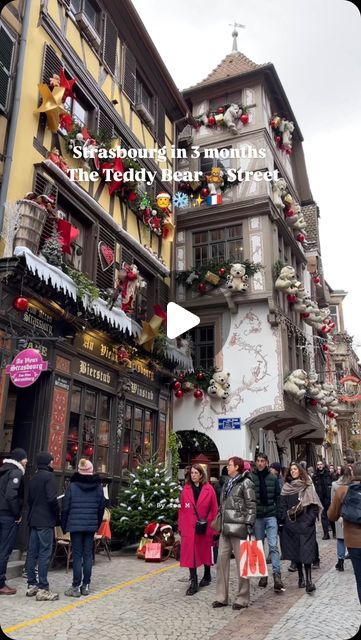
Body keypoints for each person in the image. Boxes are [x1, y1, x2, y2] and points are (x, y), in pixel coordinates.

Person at [212, 457, 256, 610]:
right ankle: (221, 597)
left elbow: (251, 505)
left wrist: (249, 524)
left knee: (241, 564)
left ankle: (242, 598)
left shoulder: (246, 483)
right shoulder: (226, 483)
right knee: (221, 563)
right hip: (225, 528)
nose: (227, 467)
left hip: (239, 528)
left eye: (229, 465)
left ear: (236, 467)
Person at [61, 458, 104, 597]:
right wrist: (96, 524)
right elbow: (101, 507)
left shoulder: (72, 486)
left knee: (77, 555)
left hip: (75, 525)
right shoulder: (98, 486)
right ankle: (86, 585)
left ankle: (75, 586)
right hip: (90, 525)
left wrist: (64, 525)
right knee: (88, 555)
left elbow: (65, 507)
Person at [279, 462, 322, 594]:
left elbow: (314, 505)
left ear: (300, 470)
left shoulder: (307, 486)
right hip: (292, 525)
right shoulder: (286, 488)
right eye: (291, 469)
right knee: (296, 552)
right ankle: (300, 578)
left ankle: (309, 580)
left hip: (306, 525)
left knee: (307, 552)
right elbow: (282, 506)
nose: (293, 471)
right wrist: (287, 521)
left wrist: (309, 521)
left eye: (295, 469)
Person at [178, 464, 218, 595]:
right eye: (192, 473)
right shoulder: (186, 490)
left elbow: (214, 509)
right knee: (191, 554)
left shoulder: (209, 489)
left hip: (205, 525)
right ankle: (193, 581)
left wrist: (214, 528)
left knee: (205, 551)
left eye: (196, 473)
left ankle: (207, 575)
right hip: (189, 527)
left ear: (201, 475)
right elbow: (182, 510)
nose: (193, 475)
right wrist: (181, 527)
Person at [26, 452, 60, 601]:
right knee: (44, 553)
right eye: (52, 461)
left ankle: (32, 585)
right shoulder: (49, 477)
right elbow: (52, 499)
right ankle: (43, 588)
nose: (53, 463)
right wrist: (56, 513)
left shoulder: (33, 478)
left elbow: (30, 499)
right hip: (45, 520)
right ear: (47, 463)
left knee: (32, 552)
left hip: (33, 519)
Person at [328, 461, 361, 607]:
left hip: (353, 543)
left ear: (352, 474)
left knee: (360, 580)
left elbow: (331, 515)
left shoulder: (343, 491)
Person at [251, 452, 284, 591]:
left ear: (266, 462)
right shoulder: (251, 478)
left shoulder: (273, 478)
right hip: (257, 516)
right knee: (258, 547)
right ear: (255, 462)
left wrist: (278, 515)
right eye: (258, 461)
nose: (260, 463)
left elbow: (278, 497)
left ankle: (277, 575)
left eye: (262, 461)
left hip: (270, 515)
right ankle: (263, 574)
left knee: (273, 546)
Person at [0, 448, 28, 595]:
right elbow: (11, 495)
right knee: (4, 550)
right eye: (24, 458)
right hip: (7, 516)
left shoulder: (3, 471)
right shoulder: (16, 472)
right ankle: (0, 583)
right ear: (18, 459)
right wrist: (17, 513)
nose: (27, 461)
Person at [313, 460, 334, 539]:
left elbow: (333, 485)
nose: (320, 466)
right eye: (318, 464)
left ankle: (334, 531)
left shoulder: (329, 474)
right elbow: (314, 487)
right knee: (323, 516)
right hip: (321, 499)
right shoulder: (315, 476)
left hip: (329, 498)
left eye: (321, 464)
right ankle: (326, 534)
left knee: (331, 515)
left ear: (324, 465)